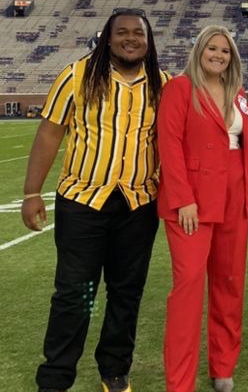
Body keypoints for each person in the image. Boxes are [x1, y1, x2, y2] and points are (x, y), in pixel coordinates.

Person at [20, 8, 169, 392]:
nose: (131, 39)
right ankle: (55, 377)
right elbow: (51, 132)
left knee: (126, 291)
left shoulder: (163, 83)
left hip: (138, 203)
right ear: (107, 37)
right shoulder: (76, 75)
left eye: (139, 33)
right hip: (83, 201)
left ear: (148, 41)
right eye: (122, 32)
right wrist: (32, 191)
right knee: (74, 292)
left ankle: (114, 369)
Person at [156, 25, 248, 392]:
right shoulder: (180, 88)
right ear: (199, 50)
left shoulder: (238, 93)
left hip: (234, 197)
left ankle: (222, 365)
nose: (218, 55)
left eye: (225, 51)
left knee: (230, 285)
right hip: (192, 202)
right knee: (188, 288)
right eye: (212, 48)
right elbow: (170, 143)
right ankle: (179, 382)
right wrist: (183, 198)